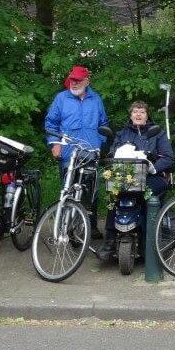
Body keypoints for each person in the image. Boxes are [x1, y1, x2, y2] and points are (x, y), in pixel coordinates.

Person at [100, 101, 174, 258]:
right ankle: (110, 240)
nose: (138, 115)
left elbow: (168, 158)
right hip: (128, 175)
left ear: (147, 115)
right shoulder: (122, 134)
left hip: (153, 175)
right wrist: (113, 156)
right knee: (114, 193)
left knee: (147, 196)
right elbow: (112, 152)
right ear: (131, 114)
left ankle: (148, 243)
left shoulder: (157, 133)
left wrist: (153, 167)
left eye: (142, 112)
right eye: (135, 112)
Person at [44, 64, 108, 239]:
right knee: (69, 189)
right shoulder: (61, 98)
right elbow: (51, 124)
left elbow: (103, 125)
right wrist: (54, 144)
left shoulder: (96, 100)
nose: (74, 83)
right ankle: (68, 227)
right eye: (72, 80)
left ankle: (90, 227)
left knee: (91, 190)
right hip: (68, 154)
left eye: (78, 80)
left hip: (91, 152)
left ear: (87, 81)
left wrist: (100, 144)